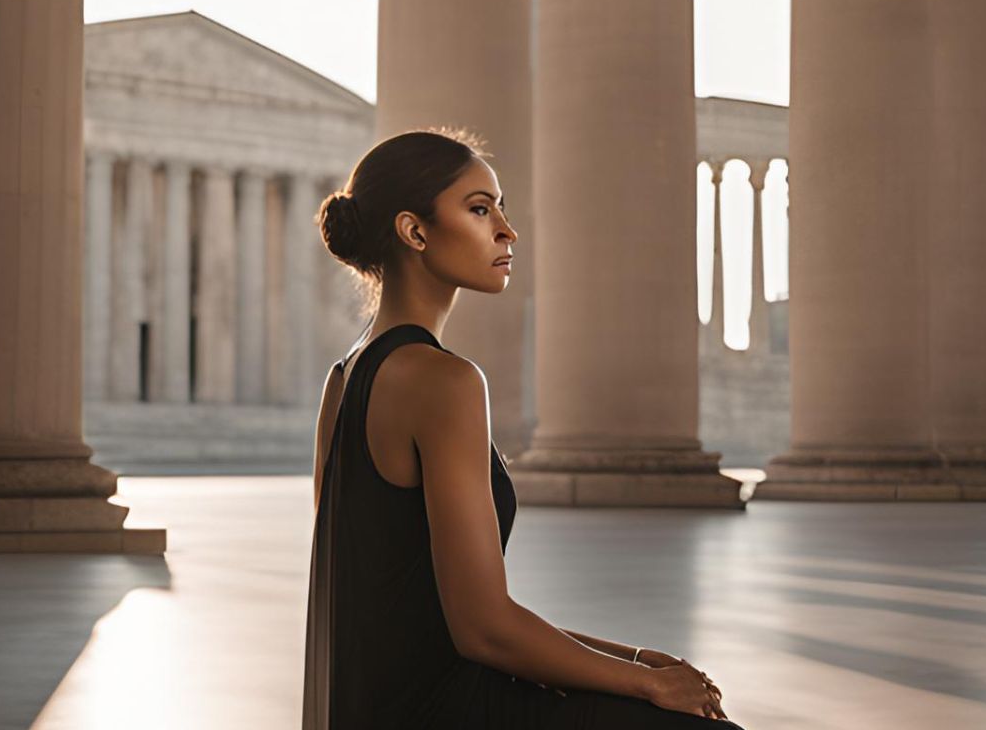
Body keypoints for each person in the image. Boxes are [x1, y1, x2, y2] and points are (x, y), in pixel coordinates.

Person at [302, 128, 745, 729]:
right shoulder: (444, 382)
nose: (507, 230)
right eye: (481, 209)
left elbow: (422, 614)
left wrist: (637, 660)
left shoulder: (343, 378)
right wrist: (647, 683)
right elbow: (483, 629)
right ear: (415, 231)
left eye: (501, 207)